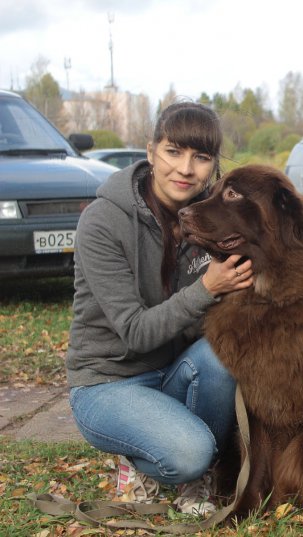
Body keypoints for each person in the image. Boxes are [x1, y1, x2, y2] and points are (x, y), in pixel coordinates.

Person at [66, 101, 253, 516]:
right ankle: (149, 462)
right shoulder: (102, 223)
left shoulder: (209, 219)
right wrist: (207, 287)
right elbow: (134, 332)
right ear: (151, 152)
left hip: (172, 372)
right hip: (108, 383)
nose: (186, 169)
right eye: (174, 152)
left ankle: (195, 474)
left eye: (201, 157)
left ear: (213, 165)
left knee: (221, 353)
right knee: (190, 452)